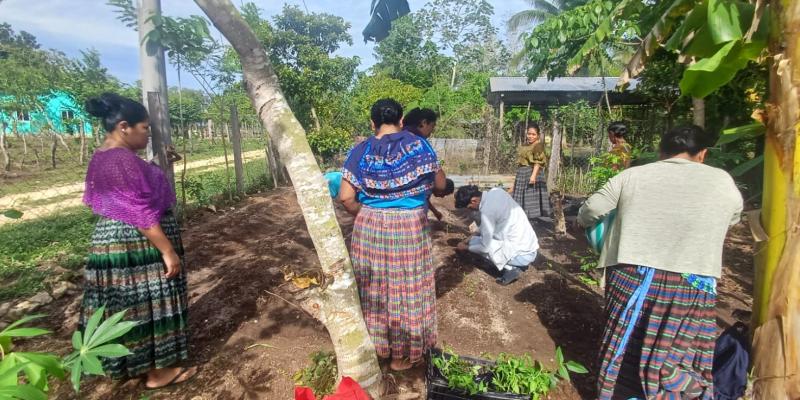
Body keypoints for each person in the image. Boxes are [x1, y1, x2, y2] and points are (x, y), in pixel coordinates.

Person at [578, 125, 743, 399]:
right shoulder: (722, 180)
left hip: (632, 276)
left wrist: (589, 224)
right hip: (690, 282)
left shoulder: (633, 176)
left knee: (626, 341)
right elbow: (733, 216)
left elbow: (592, 210)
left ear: (661, 152)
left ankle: (619, 393)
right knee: (677, 351)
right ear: (702, 154)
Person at [81, 93, 196, 389]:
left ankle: (131, 364)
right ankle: (158, 373)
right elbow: (139, 211)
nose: (148, 134)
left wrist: (156, 164)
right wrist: (168, 250)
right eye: (145, 128)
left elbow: (130, 191)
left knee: (125, 305)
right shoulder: (121, 160)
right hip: (136, 244)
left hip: (115, 241)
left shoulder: (104, 157)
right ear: (124, 127)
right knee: (150, 303)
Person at [339, 99, 448, 371]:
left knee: (374, 287)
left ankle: (378, 350)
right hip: (410, 224)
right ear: (401, 121)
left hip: (370, 227)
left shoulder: (360, 150)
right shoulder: (418, 145)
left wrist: (366, 214)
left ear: (372, 123)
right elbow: (440, 184)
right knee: (409, 286)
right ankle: (405, 355)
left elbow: (345, 197)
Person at [454, 185, 539, 285]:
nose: (470, 210)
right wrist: (471, 236)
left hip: (522, 255)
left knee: (479, 245)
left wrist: (465, 247)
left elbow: (484, 248)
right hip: (530, 246)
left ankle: (511, 268)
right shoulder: (496, 191)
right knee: (475, 240)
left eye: (469, 207)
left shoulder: (487, 212)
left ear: (474, 200)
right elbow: (488, 225)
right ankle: (510, 263)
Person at [403, 107, 450, 220]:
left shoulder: (388, 140)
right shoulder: (420, 143)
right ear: (424, 122)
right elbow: (440, 184)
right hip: (412, 210)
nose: (431, 132)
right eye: (432, 127)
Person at [510, 124, 550, 220]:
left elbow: (538, 162)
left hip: (531, 172)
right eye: (529, 134)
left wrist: (533, 176)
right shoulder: (525, 145)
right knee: (521, 197)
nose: (531, 136)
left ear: (538, 135)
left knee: (530, 197)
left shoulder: (538, 146)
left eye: (533, 134)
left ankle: (531, 220)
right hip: (522, 173)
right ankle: (522, 218)